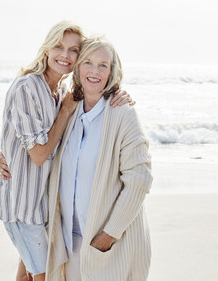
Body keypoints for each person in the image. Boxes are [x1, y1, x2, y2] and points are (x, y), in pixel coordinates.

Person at [0, 21, 133, 281]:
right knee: (44, 277)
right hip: (23, 206)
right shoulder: (28, 88)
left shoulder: (59, 91)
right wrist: (65, 112)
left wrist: (120, 95)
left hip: (42, 205)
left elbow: (20, 135)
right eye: (59, 46)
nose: (65, 55)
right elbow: (38, 154)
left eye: (73, 50)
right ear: (46, 49)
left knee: (26, 276)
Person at [45, 36, 152, 281]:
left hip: (108, 243)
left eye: (103, 65)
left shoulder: (123, 114)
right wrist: (4, 156)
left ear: (112, 71)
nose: (95, 71)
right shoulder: (67, 110)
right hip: (70, 243)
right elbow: (38, 141)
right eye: (88, 63)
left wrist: (108, 236)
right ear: (78, 67)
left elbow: (140, 180)